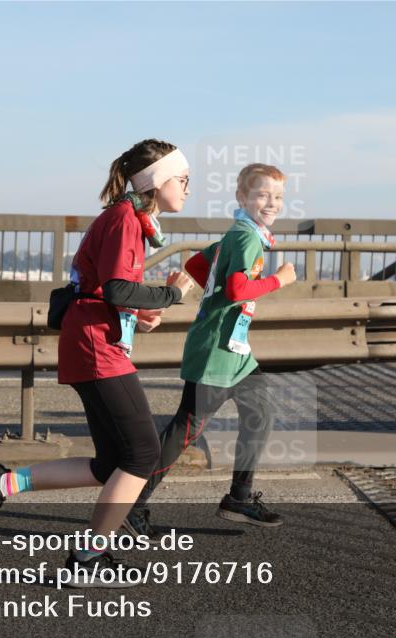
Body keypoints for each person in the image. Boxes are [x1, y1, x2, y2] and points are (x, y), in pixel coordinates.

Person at [0, 138, 196, 587]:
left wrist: (139, 315)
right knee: (144, 454)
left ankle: (2, 484)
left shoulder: (126, 218)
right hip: (96, 347)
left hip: (92, 340)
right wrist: (171, 295)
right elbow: (114, 290)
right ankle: (87, 558)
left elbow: (111, 291)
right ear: (158, 181)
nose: (188, 189)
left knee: (113, 465)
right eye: (184, 180)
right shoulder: (126, 220)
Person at [122, 163, 298, 539]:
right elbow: (236, 290)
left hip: (234, 349)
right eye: (262, 195)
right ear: (242, 198)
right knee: (184, 431)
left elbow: (196, 265)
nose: (272, 203)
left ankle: (239, 497)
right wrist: (278, 280)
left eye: (278, 196)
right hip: (217, 350)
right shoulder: (248, 238)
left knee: (260, 413)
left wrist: (215, 298)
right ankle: (130, 506)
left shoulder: (242, 234)